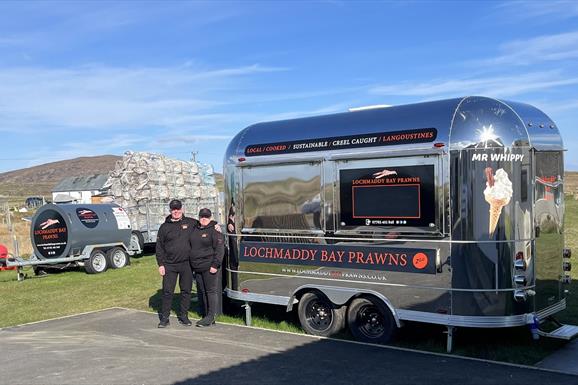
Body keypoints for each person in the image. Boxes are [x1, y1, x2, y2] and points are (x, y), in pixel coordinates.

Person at [155, 199, 195, 328]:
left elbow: (204, 224)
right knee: (167, 292)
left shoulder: (190, 223)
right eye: (173, 209)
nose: (176, 211)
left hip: (186, 264)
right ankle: (164, 318)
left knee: (186, 291)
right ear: (170, 210)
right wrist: (160, 264)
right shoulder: (164, 227)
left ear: (182, 209)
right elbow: (159, 247)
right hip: (169, 265)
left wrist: (215, 224)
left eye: (178, 209)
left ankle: (184, 316)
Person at [189, 208, 224, 327]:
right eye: (202, 217)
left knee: (210, 291)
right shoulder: (195, 228)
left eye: (206, 217)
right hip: (197, 267)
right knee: (202, 291)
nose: (204, 219)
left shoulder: (215, 230)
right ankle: (206, 314)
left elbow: (220, 249)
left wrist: (215, 265)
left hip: (209, 266)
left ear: (210, 218)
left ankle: (210, 316)